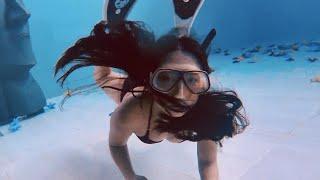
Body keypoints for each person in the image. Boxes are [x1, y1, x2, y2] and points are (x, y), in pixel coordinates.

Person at [54, 0, 249, 179]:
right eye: (165, 78)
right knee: (103, 77)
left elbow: (208, 161)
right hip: (140, 93)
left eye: (192, 79)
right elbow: (116, 144)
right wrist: (130, 176)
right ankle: (111, 34)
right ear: (151, 80)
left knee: (177, 60)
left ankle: (180, 37)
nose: (180, 95)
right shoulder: (130, 110)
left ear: (203, 81)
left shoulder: (205, 111)